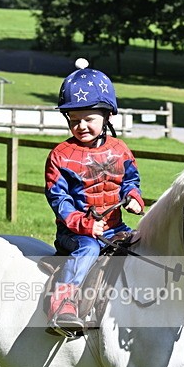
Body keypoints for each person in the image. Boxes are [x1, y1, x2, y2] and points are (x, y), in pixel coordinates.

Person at [45, 58, 144, 333]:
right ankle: (62, 304)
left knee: (145, 246)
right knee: (88, 249)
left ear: (107, 116)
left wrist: (133, 196)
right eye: (74, 120)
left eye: (89, 119)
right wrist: (84, 224)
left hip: (114, 228)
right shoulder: (60, 156)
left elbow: (130, 179)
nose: (81, 126)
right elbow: (58, 199)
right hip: (75, 233)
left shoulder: (120, 149)